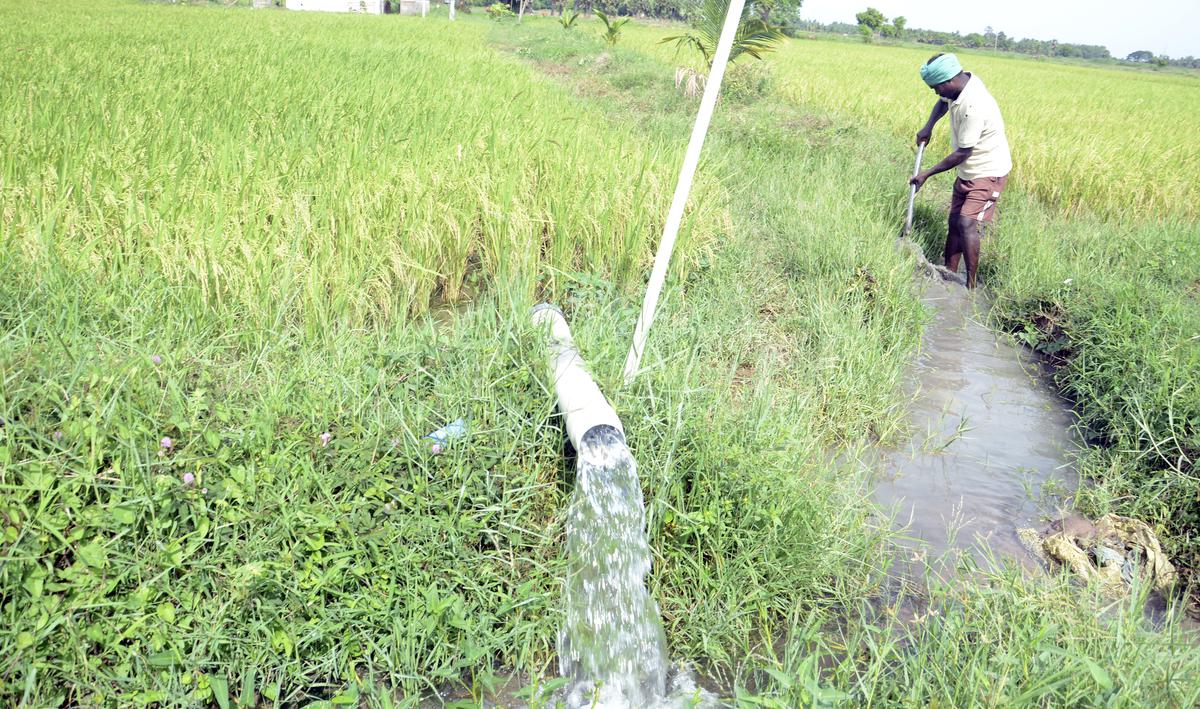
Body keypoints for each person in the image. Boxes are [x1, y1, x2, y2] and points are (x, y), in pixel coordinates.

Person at [909, 53, 1012, 289]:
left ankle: (971, 286)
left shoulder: (973, 106)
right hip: (969, 169)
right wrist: (928, 126)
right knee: (954, 221)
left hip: (988, 170)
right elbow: (942, 102)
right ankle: (948, 275)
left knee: (966, 223)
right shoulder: (962, 84)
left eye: (936, 88)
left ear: (949, 81)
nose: (936, 93)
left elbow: (962, 153)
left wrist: (926, 174)